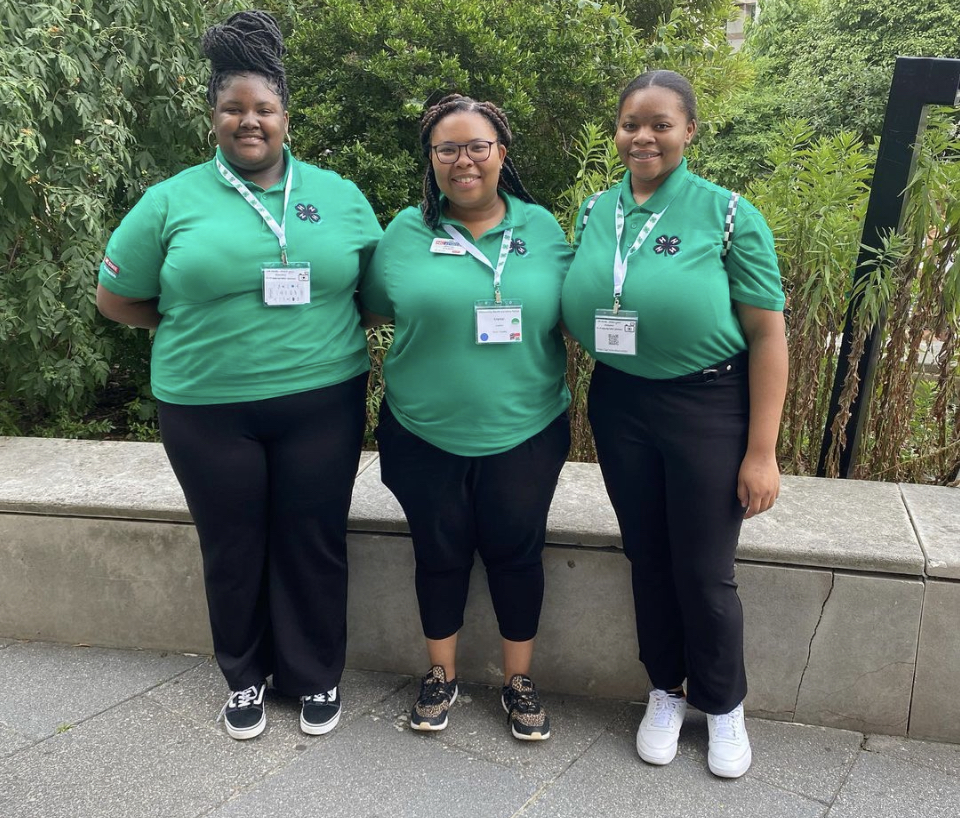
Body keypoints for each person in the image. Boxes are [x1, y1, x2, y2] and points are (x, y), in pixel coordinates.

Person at [96, 10, 382, 741]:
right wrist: (191, 326)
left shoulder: (339, 194)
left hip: (323, 400)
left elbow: (374, 292)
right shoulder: (171, 200)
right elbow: (116, 298)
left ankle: (315, 675)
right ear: (214, 117)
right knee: (231, 542)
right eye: (233, 109)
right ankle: (245, 677)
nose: (249, 121)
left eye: (264, 109)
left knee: (312, 537)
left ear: (286, 115)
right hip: (205, 405)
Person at [561, 70, 788, 778]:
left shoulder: (726, 214)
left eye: (661, 124)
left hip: (708, 405)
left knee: (704, 568)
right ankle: (665, 688)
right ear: (617, 131)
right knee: (647, 556)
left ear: (690, 130)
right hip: (621, 401)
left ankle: (722, 705)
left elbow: (769, 336)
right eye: (631, 123)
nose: (644, 137)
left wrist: (762, 452)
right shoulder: (597, 208)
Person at [360, 94, 572, 741]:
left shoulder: (542, 230)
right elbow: (368, 309)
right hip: (423, 432)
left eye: (477, 145)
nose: (463, 160)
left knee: (517, 552)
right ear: (431, 159)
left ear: (501, 153)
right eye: (447, 148)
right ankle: (441, 674)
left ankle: (518, 681)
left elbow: (578, 311)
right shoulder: (404, 231)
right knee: (438, 552)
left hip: (526, 430)